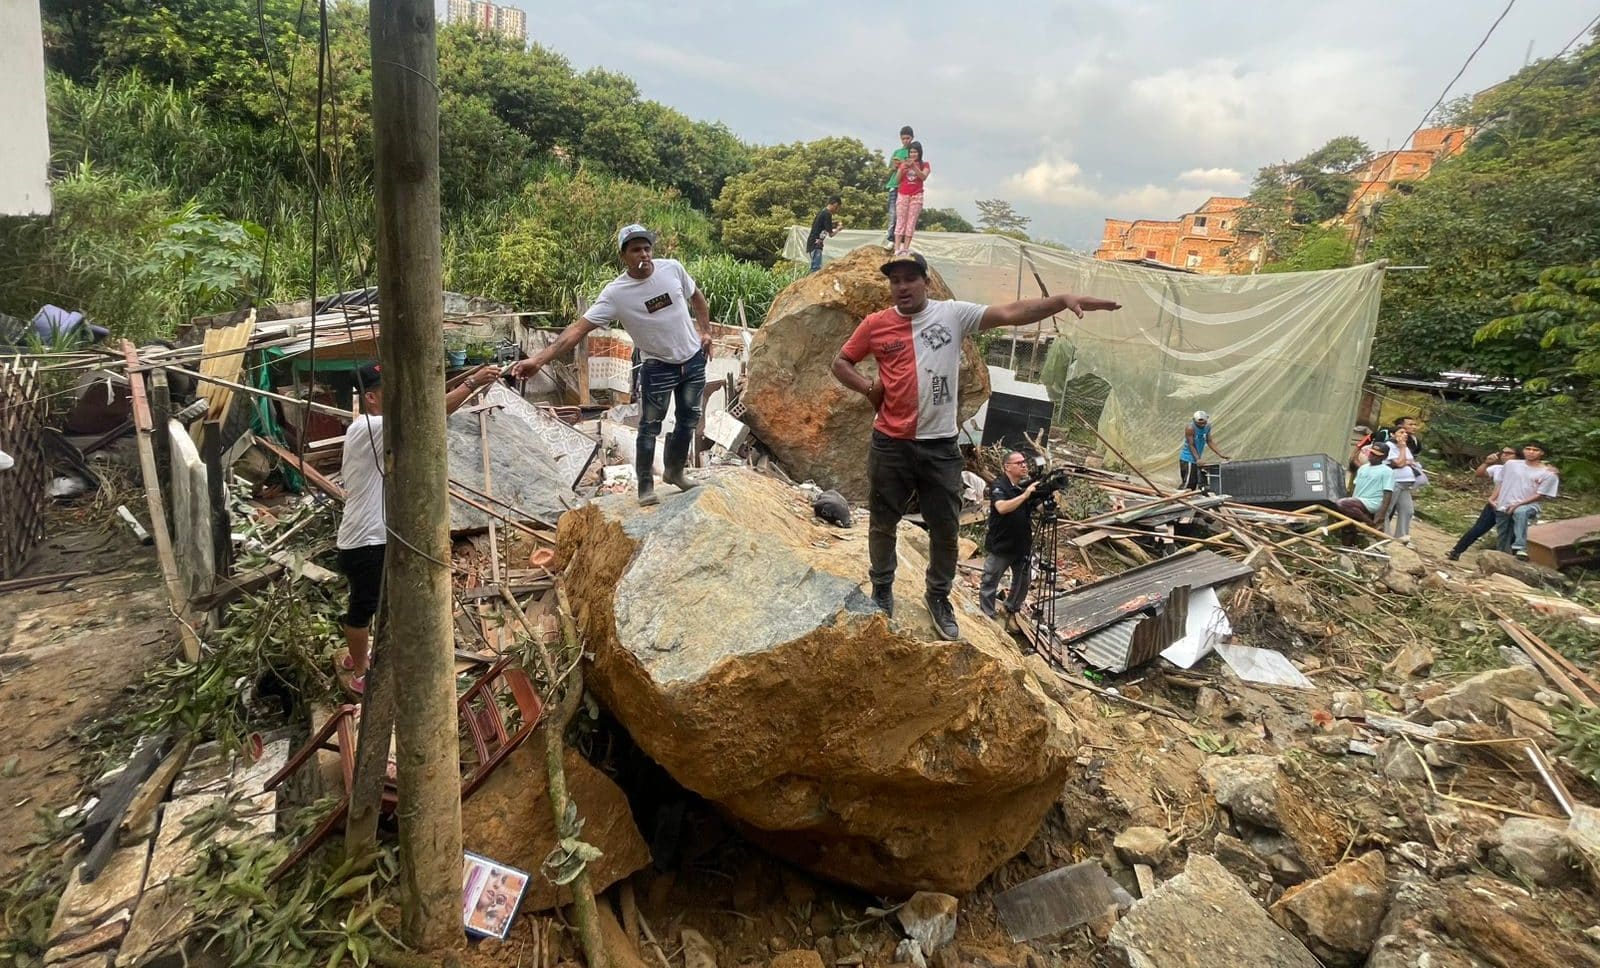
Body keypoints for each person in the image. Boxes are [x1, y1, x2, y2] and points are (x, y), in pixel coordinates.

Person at [831, 252, 1119, 640]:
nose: (902, 286)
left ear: (926, 282)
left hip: (940, 446)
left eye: (909, 279)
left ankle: (938, 596)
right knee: (883, 523)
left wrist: (1061, 300)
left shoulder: (952, 314)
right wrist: (868, 388)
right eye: (895, 280)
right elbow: (841, 362)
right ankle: (882, 588)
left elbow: (1011, 312)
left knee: (946, 529)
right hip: (891, 444)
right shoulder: (876, 325)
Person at [511, 224, 712, 506]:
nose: (643, 254)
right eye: (635, 249)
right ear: (623, 256)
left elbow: (697, 296)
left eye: (647, 248)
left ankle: (675, 472)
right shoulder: (616, 293)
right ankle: (645, 484)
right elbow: (576, 331)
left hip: (692, 362)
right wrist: (537, 360)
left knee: (688, 420)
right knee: (650, 425)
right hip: (658, 368)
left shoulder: (673, 269)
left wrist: (705, 331)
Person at [337, 359, 502, 692]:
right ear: (371, 398)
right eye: (388, 392)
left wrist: (468, 379)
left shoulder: (374, 425)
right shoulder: (370, 426)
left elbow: (420, 407)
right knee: (362, 608)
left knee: (369, 601)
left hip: (367, 535)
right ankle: (360, 674)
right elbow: (426, 414)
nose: (397, 397)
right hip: (366, 540)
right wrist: (472, 385)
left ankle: (356, 658)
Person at [980, 452, 1037, 620]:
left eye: (1024, 462)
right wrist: (1025, 495)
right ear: (1007, 467)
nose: (1024, 465)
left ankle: (1011, 608)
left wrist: (1044, 494)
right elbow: (1002, 508)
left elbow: (1039, 509)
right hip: (1002, 544)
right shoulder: (999, 485)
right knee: (990, 580)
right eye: (1019, 463)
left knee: (1023, 582)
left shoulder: (1025, 485)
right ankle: (987, 614)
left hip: (1022, 544)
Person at [1447, 446, 1518, 561]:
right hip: (1495, 504)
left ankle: (1509, 560)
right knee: (1478, 528)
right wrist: (1486, 463)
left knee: (1511, 535)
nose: (1505, 455)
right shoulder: (1499, 468)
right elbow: (1480, 474)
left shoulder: (1522, 472)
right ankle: (1456, 551)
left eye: (1509, 453)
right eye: (1503, 453)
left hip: (1513, 505)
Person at [1494, 441, 1558, 558]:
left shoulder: (1548, 473)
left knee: (1521, 512)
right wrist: (1494, 498)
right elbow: (1501, 481)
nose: (1531, 452)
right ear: (1523, 451)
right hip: (1504, 504)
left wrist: (1518, 504)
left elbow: (1540, 494)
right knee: (1503, 535)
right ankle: (1501, 559)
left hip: (1529, 504)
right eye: (1528, 449)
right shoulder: (1511, 464)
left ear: (1542, 453)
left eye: (1535, 450)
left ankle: (1520, 546)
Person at [1335, 443, 1394, 535]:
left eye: (1376, 455)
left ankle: (1371, 524)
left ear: (1384, 457)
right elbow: (1354, 486)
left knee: (1341, 503)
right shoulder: (1363, 468)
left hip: (1372, 502)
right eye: (1371, 453)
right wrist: (1350, 498)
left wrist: (1381, 514)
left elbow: (1388, 493)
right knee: (1346, 524)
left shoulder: (1387, 471)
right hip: (1357, 501)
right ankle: (1349, 542)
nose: (1372, 456)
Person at [1384, 426, 1424, 544]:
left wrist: (1403, 458)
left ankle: (1401, 537)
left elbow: (1410, 461)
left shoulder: (1404, 446)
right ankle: (1384, 537)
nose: (1405, 434)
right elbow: (1399, 463)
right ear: (1392, 434)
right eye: (1401, 432)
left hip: (1406, 483)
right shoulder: (1389, 446)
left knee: (1408, 510)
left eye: (1405, 433)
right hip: (1395, 481)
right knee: (1387, 510)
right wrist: (1402, 450)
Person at [891, 142, 929, 256]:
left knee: (911, 222)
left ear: (919, 153)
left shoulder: (925, 164)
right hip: (903, 194)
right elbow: (897, 181)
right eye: (911, 152)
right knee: (900, 221)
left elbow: (923, 176)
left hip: (916, 195)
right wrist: (901, 168)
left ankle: (906, 248)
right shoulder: (904, 164)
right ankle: (897, 248)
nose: (913, 154)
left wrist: (914, 167)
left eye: (915, 152)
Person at [1178, 411, 1228, 491]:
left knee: (1197, 483)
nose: (1202, 425)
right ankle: (1178, 499)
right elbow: (1191, 444)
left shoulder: (1207, 427)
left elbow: (1209, 441)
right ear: (1194, 420)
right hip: (1188, 459)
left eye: (1204, 423)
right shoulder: (1190, 428)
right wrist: (1198, 459)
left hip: (1197, 458)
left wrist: (1220, 454)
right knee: (1188, 484)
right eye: (1200, 423)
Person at [884, 125, 914, 245]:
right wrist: (895, 166)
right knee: (893, 213)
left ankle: (900, 240)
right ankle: (891, 238)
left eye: (908, 138)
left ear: (912, 138)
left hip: (906, 186)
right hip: (894, 185)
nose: (906, 140)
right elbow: (889, 169)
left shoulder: (913, 152)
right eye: (903, 138)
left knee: (904, 215)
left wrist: (904, 164)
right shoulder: (897, 152)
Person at [807, 196, 843, 273]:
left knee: (815, 267)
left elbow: (826, 225)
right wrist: (838, 229)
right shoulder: (827, 214)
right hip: (815, 244)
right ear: (835, 204)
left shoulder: (823, 213)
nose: (836, 210)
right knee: (815, 269)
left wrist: (835, 223)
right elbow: (831, 234)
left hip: (813, 243)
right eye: (837, 208)